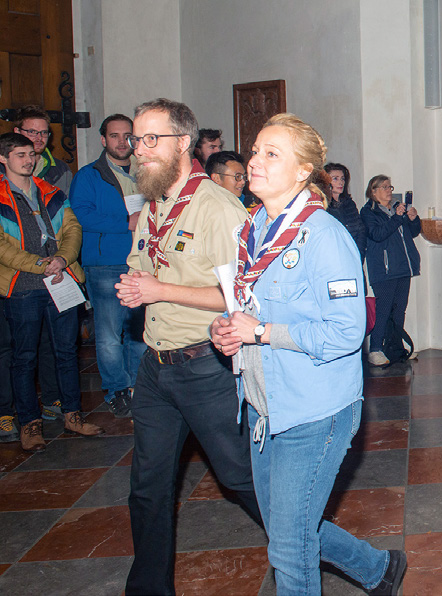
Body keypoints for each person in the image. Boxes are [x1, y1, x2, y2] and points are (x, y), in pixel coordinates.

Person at [209, 113, 406, 595]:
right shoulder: (253, 229)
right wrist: (228, 328)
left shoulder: (323, 235)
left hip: (314, 410)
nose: (255, 161)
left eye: (271, 154)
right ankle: (378, 569)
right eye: (255, 151)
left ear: (303, 171)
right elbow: (249, 307)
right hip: (265, 406)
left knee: (288, 548)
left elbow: (346, 331)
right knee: (287, 528)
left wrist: (263, 333)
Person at [115, 98, 260, 595]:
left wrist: (160, 290)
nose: (138, 149)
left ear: (183, 143)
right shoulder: (153, 203)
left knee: (242, 480)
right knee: (147, 490)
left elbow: (239, 296)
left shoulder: (218, 207)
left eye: (150, 139)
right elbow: (143, 267)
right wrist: (135, 285)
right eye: (136, 139)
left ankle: (355, 559)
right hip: (155, 367)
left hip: (204, 367)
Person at [0, 132, 103, 452]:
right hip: (22, 287)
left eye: (31, 154)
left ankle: (72, 415)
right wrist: (38, 264)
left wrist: (62, 259)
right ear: (3, 159)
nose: (29, 160)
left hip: (61, 280)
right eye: (20, 155)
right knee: (24, 357)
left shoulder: (51, 191)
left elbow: (72, 228)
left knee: (67, 352)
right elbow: (1, 247)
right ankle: (30, 424)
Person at [69, 114, 146, 417]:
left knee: (138, 331)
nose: (122, 142)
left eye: (128, 136)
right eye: (114, 136)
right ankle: (117, 390)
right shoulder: (89, 176)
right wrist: (126, 222)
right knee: (110, 334)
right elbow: (82, 215)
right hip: (106, 264)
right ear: (103, 140)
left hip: (142, 262)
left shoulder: (146, 172)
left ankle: (139, 387)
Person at [360, 174, 421, 367]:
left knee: (399, 310)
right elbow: (377, 234)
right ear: (373, 191)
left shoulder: (396, 208)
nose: (389, 190)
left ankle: (395, 347)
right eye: (385, 187)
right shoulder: (368, 212)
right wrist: (396, 218)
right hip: (384, 270)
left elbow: (413, 232)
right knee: (383, 310)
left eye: (390, 187)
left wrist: (413, 219)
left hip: (403, 267)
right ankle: (375, 348)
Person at [325, 162, 367, 261]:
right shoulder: (323, 206)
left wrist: (358, 254)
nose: (340, 182)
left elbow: (361, 229)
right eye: (335, 178)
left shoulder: (349, 204)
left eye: (342, 179)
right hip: (334, 257)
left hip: (354, 254)